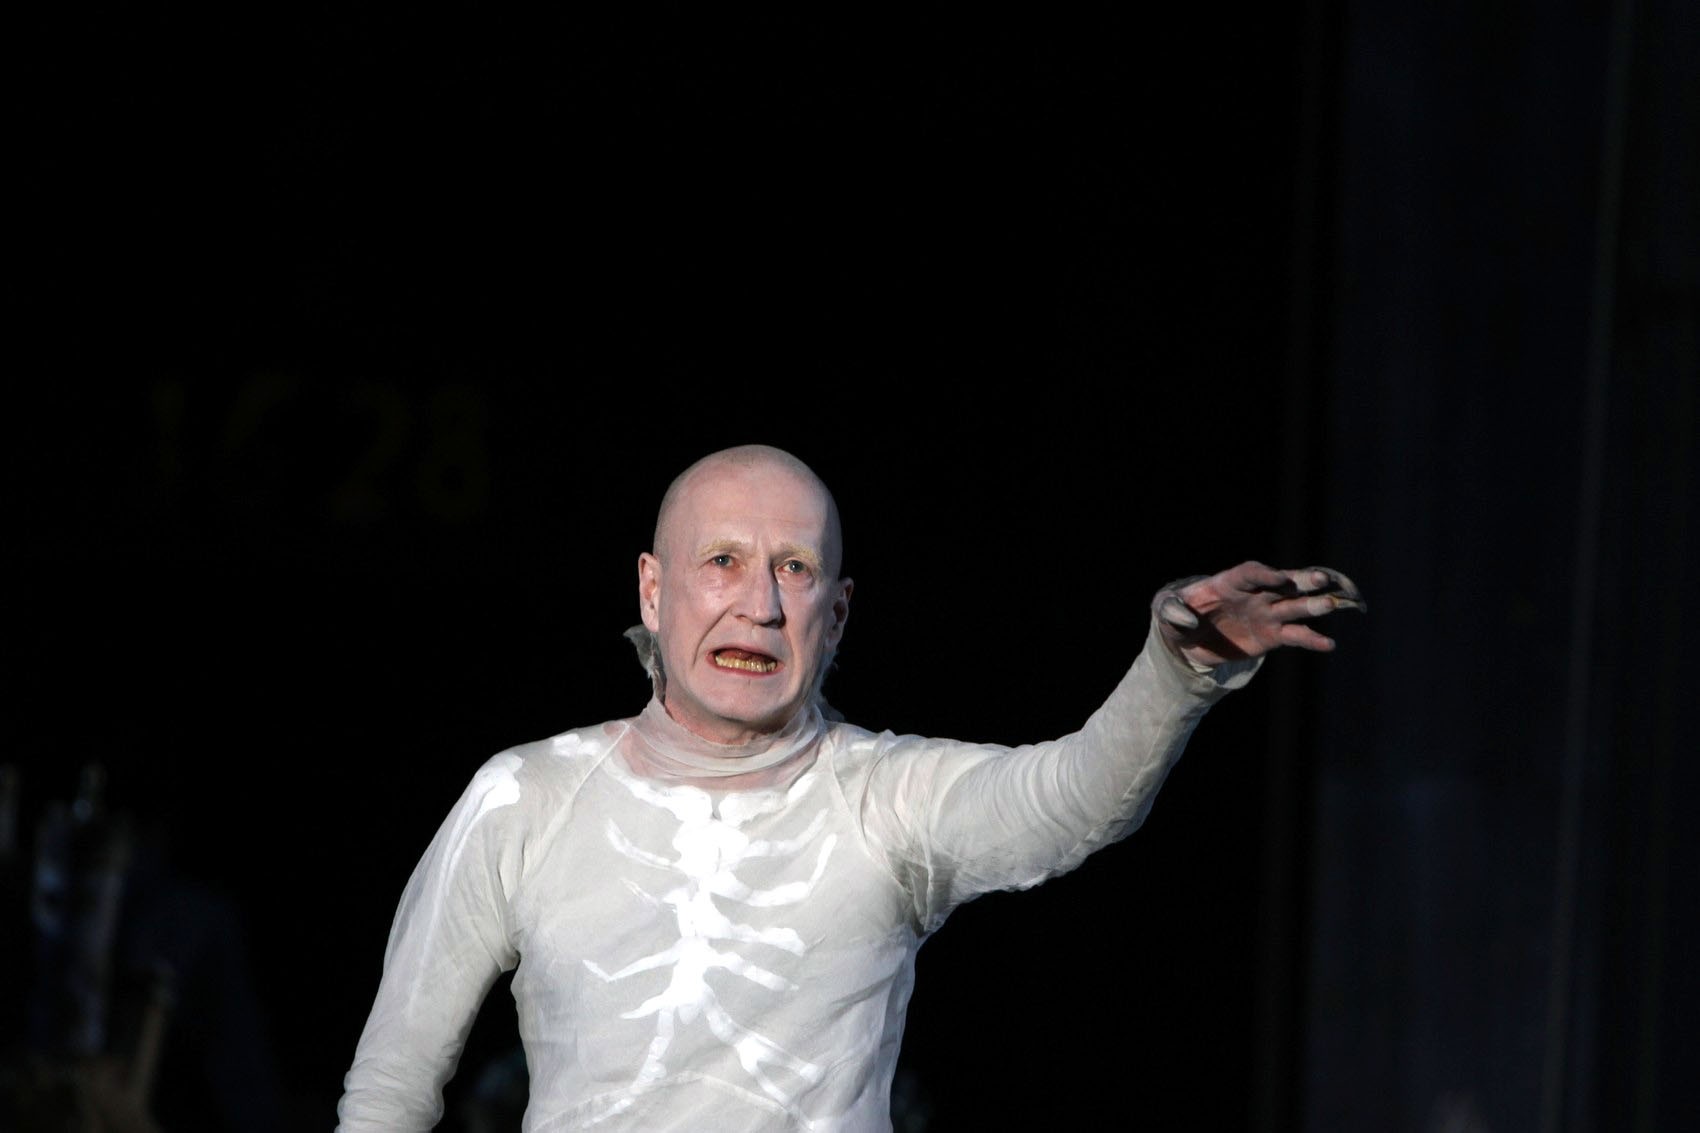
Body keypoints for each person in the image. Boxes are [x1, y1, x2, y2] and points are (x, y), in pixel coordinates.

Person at [335, 443, 1365, 1132]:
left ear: (836, 613)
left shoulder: (886, 801)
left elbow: (1072, 798)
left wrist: (1176, 670)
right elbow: (389, 1089)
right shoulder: (523, 798)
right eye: (722, 559)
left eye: (794, 568)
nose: (758, 603)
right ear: (653, 587)